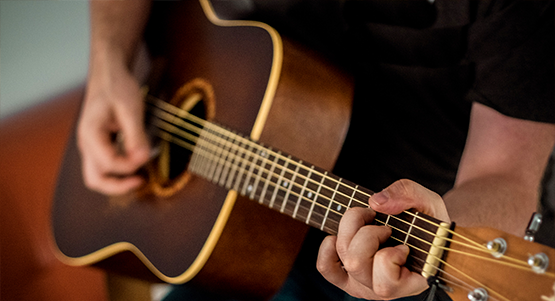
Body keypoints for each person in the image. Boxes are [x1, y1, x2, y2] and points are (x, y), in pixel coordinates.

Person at [77, 0, 555, 300]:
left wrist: (441, 228)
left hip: (388, 248)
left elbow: (509, 172)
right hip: (231, 228)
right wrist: (108, 63)